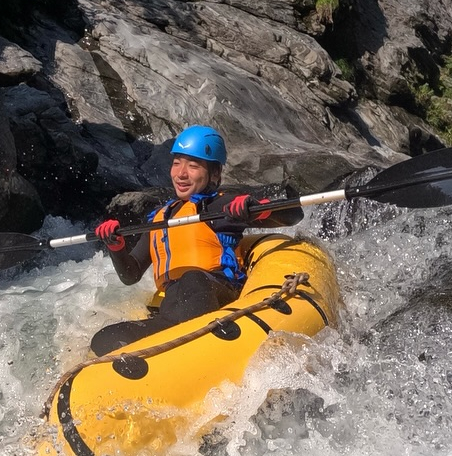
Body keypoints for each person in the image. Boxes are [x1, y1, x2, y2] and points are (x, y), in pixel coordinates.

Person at [87, 125, 301, 356]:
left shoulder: (219, 206)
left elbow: (293, 215)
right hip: (172, 308)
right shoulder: (160, 219)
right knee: (105, 338)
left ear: (215, 174)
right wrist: (115, 247)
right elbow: (130, 275)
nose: (181, 174)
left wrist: (259, 209)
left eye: (193, 165)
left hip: (218, 294)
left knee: (191, 279)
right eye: (177, 163)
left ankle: (195, 347)